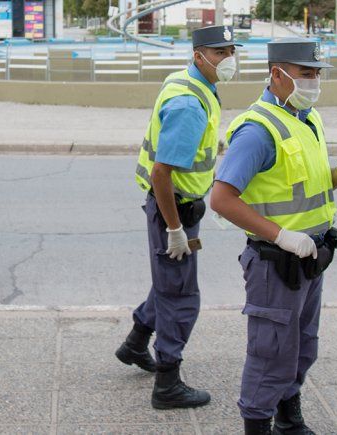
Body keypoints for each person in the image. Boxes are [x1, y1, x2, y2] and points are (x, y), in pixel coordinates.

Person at [209, 38, 337, 435]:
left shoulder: (307, 118)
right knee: (271, 352)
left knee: (302, 345)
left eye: (317, 74)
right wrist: (281, 236)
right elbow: (222, 199)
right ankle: (258, 424)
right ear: (277, 75)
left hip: (312, 257)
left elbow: (306, 186)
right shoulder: (258, 130)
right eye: (305, 74)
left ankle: (289, 419)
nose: (314, 82)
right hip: (276, 262)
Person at [115, 25, 240, 410]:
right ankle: (168, 383)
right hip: (173, 209)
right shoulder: (189, 103)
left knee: (169, 281)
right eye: (221, 52)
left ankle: (136, 343)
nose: (229, 59)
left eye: (232, 50)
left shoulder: (192, 81)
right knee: (180, 295)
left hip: (180, 206)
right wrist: (174, 229)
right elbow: (161, 173)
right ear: (200, 54)